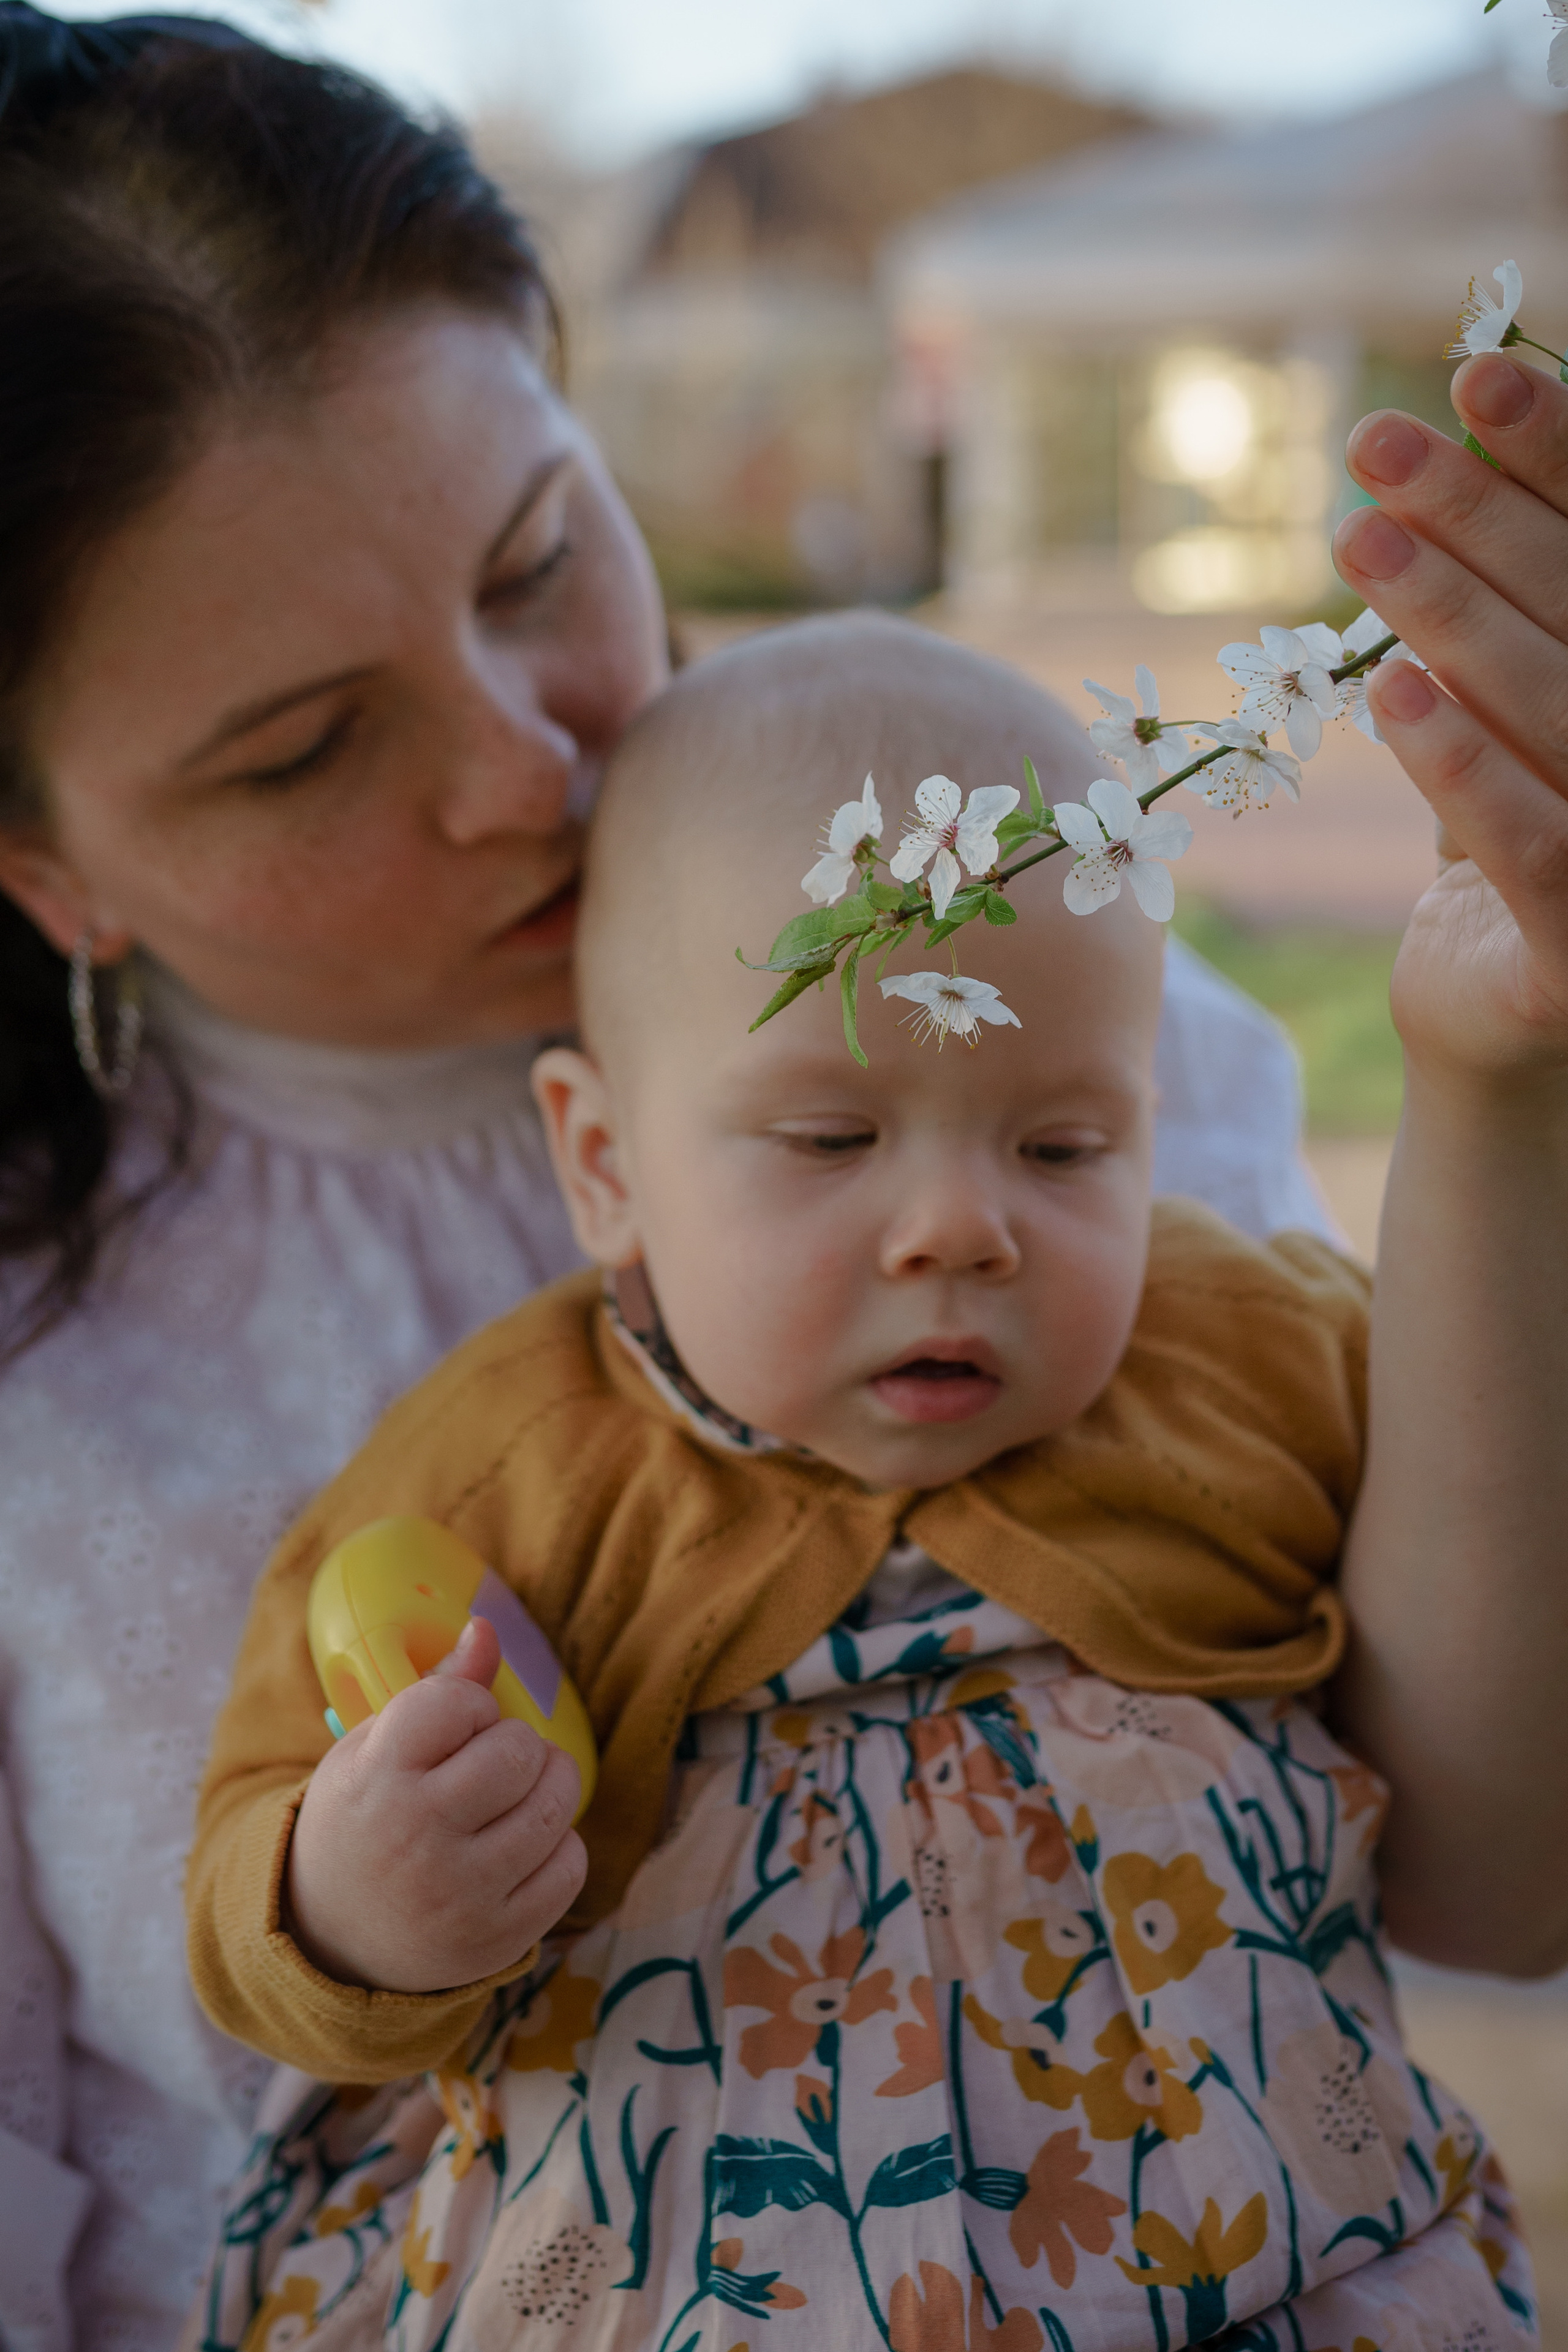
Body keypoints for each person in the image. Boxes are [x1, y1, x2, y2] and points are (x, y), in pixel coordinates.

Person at [0, 11, 1346, 2348]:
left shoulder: (1032, 1024)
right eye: (305, 746)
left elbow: (1472, 1864)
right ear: (44, 868)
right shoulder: (54, 1369)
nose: (530, 769)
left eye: (539, 557)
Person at [182, 615, 1547, 2348]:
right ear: (605, 1165)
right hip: (698, 2285)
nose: (961, 1227)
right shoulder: (516, 1462)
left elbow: (1495, 1539)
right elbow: (246, 1861)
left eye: (1067, 1146)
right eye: (831, 1140)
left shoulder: (1251, 1356)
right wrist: (353, 1898)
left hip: (1263, 2258)